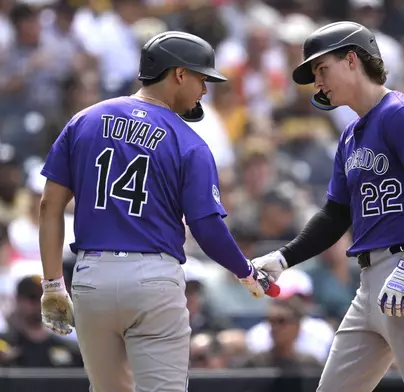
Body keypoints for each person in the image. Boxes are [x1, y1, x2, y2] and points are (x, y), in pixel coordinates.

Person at [37, 31, 277, 392]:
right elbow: (207, 229)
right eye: (201, 78)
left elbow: (49, 206)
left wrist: (53, 283)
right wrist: (246, 271)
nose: (205, 90)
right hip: (152, 280)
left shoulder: (85, 120)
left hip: (91, 278)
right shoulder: (188, 141)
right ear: (179, 73)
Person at [252, 21, 404, 392]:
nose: (317, 81)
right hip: (371, 281)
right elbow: (336, 214)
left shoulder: (400, 113)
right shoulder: (351, 133)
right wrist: (283, 258)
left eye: (322, 68)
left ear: (351, 59)